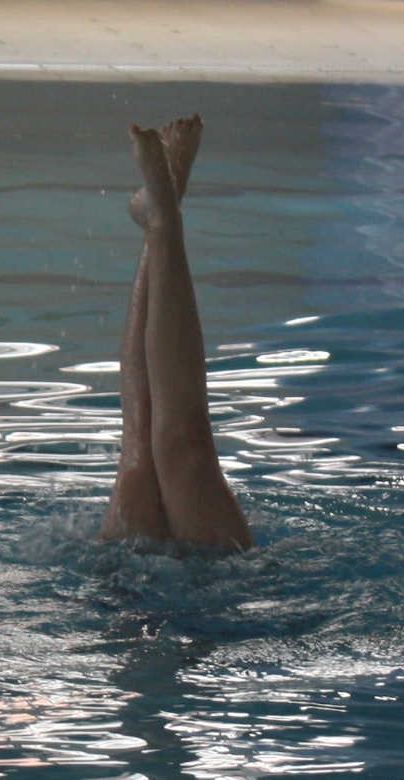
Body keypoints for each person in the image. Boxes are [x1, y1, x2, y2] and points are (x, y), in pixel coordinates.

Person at [101, 114, 253, 551]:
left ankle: (164, 211)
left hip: (130, 577)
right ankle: (163, 210)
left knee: (145, 449)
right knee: (171, 447)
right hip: (213, 581)